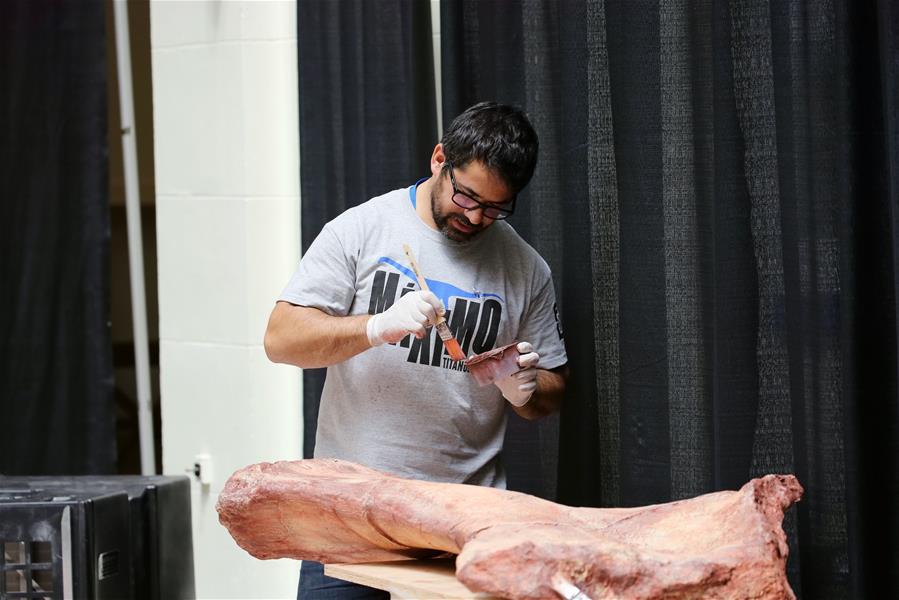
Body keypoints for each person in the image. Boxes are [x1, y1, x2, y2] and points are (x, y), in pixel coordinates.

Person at [264, 101, 569, 600]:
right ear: (438, 160)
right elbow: (281, 339)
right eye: (466, 195)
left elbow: (554, 389)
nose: (474, 215)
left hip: (464, 523)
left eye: (494, 207)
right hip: (349, 515)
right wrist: (375, 327)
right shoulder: (361, 230)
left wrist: (525, 390)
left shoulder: (525, 268)